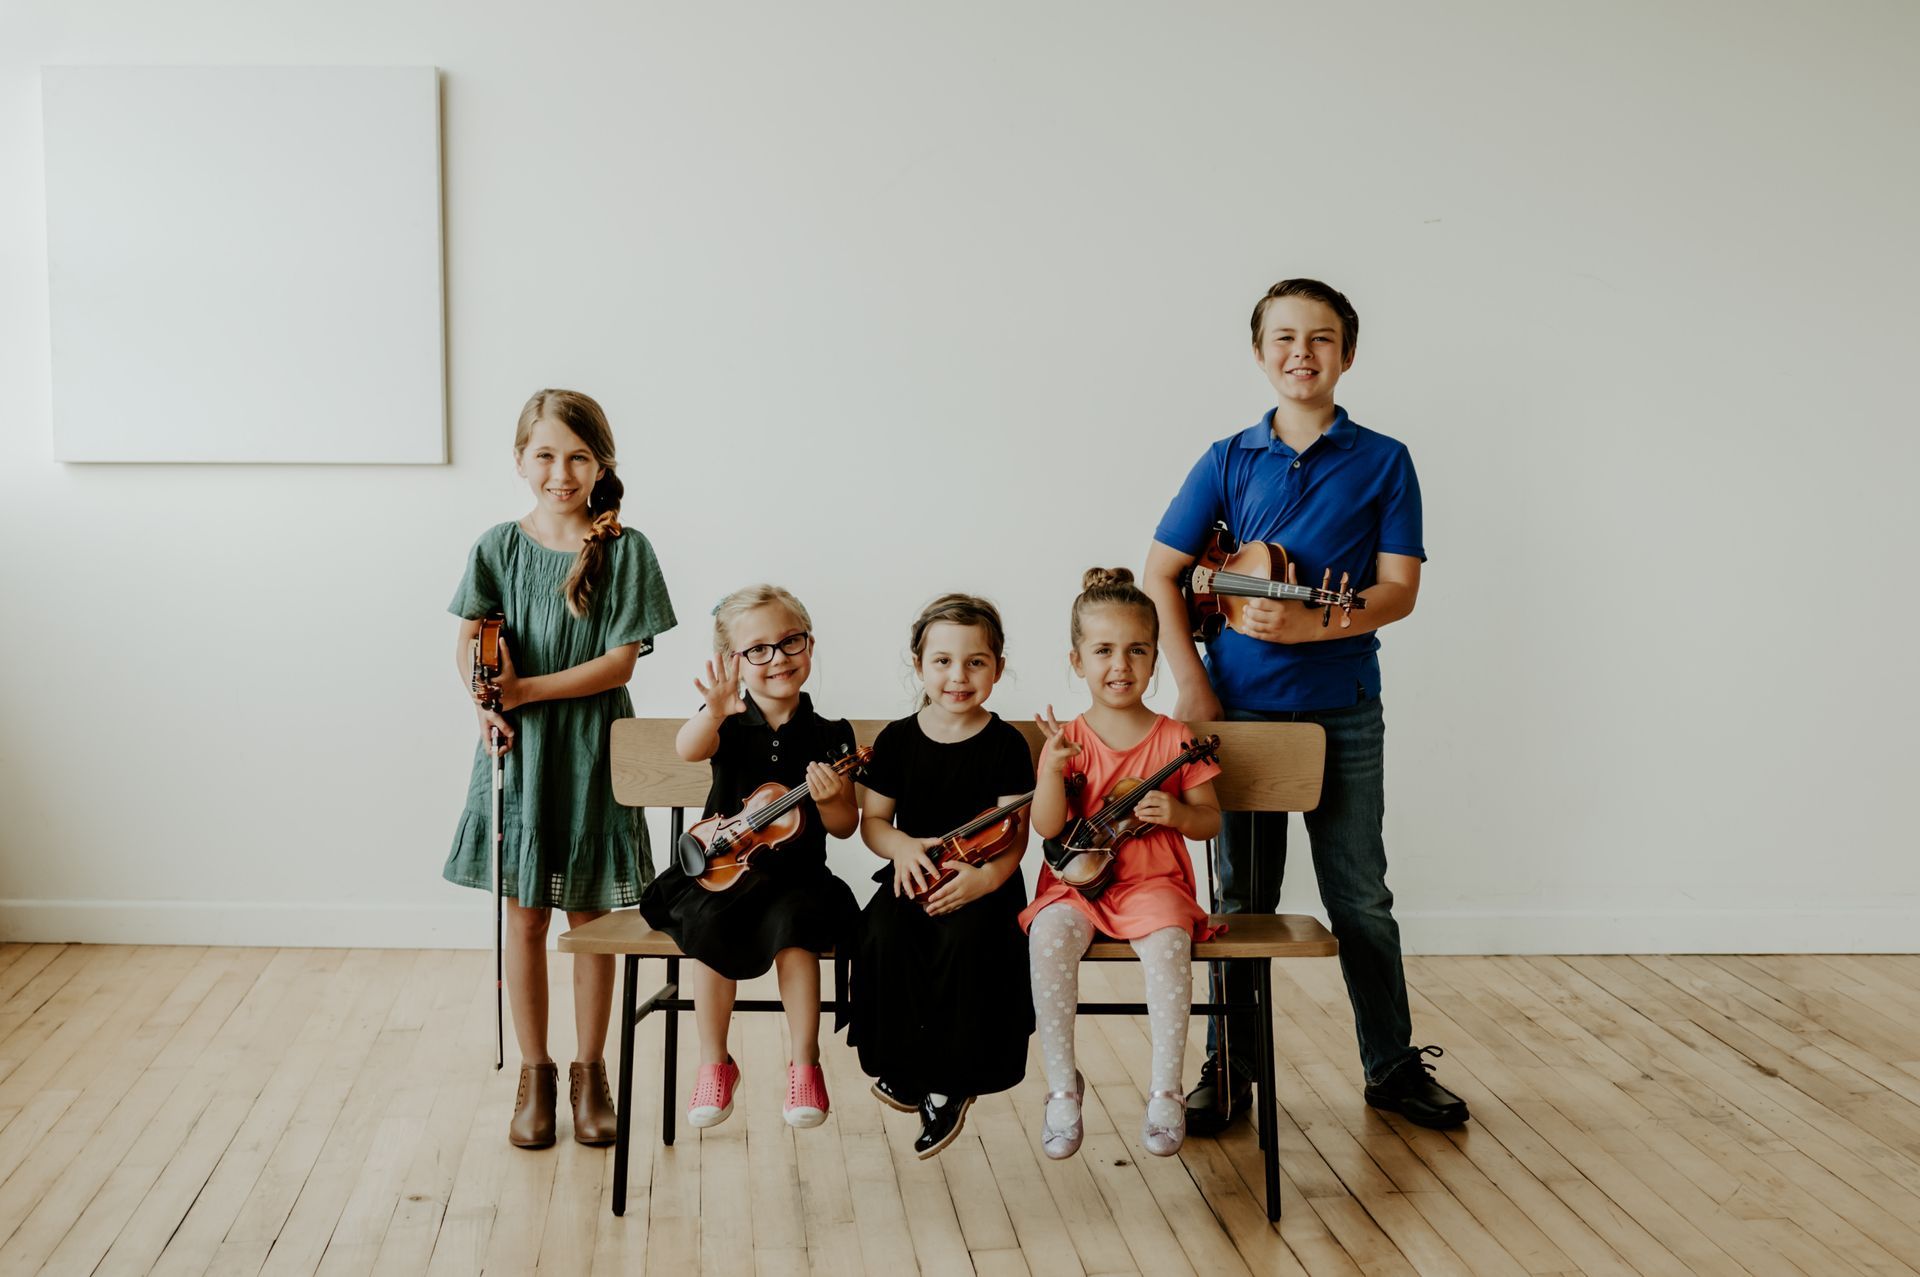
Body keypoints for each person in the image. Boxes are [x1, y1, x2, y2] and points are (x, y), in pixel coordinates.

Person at [1141, 278, 1468, 1132]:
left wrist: (1307, 629)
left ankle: (1390, 1065)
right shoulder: (1225, 459)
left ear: (1347, 355)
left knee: (1360, 894)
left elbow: (1398, 590)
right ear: (1259, 353)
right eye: (1283, 337)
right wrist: (1193, 683)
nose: (1301, 353)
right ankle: (1232, 1065)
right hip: (1239, 715)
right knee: (1238, 899)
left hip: (1344, 709)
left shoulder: (1385, 459)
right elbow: (1162, 573)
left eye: (1321, 338)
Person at [446, 388, 677, 1149]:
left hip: (592, 753)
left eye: (578, 455)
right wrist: (487, 703)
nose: (561, 470)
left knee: (591, 918)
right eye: (545, 454)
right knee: (525, 915)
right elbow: (474, 643)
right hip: (519, 755)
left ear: (601, 462)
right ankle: (536, 1075)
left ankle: (590, 1071)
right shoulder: (496, 546)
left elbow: (616, 666)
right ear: (520, 460)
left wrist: (525, 690)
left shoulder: (626, 548)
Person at [639, 585, 860, 1129]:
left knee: (796, 930)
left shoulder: (832, 735)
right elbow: (688, 749)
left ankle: (804, 1065)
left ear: (809, 645)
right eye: (756, 650)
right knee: (707, 926)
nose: (777, 658)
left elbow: (846, 826)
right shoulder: (728, 722)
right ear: (732, 662)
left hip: (800, 878)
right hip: (723, 873)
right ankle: (715, 1062)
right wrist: (713, 712)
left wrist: (833, 799)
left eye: (790, 642)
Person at [1020, 568, 1222, 1160]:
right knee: (1049, 937)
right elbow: (1048, 828)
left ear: (1156, 658)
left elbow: (1209, 820)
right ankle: (1062, 1088)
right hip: (1079, 882)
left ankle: (1166, 1089)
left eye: (1137, 650)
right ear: (1077, 660)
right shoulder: (1070, 738)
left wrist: (1179, 815)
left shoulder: (1176, 738)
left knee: (1167, 942)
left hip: (1151, 880)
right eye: (1103, 650)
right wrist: (1052, 771)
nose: (1121, 665)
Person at [849, 594, 1037, 1159]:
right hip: (915, 877)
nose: (959, 676)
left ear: (997, 669)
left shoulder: (1005, 745)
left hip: (985, 885)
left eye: (976, 662)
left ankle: (953, 1084)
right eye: (943, 662)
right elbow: (874, 822)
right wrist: (901, 847)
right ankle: (904, 1067)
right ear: (919, 664)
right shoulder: (897, 741)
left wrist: (988, 880)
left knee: (965, 941)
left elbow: (1017, 832)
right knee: (880, 934)